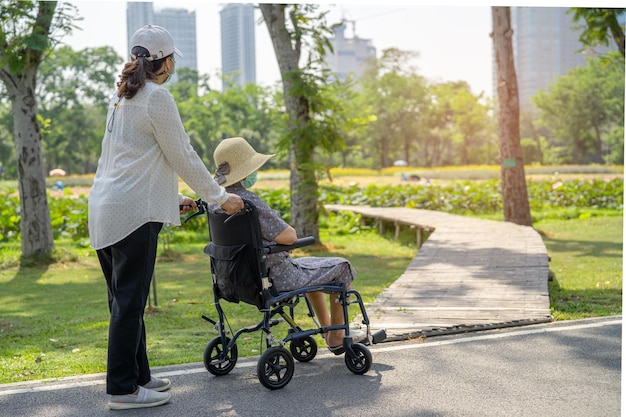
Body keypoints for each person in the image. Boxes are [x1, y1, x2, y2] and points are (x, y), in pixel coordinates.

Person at [88, 25, 243, 410]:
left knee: (124, 301)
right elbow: (183, 155)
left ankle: (138, 377)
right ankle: (122, 390)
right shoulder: (157, 98)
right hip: (133, 216)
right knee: (129, 302)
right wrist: (220, 198)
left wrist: (173, 198)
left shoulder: (122, 96)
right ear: (167, 61)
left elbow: (130, 160)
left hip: (106, 209)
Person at [210, 137, 362, 354]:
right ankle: (336, 336)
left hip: (235, 280)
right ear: (245, 171)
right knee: (342, 266)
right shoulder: (248, 203)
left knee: (314, 272)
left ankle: (328, 328)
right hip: (275, 277)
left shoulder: (215, 202)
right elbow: (289, 237)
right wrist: (283, 241)